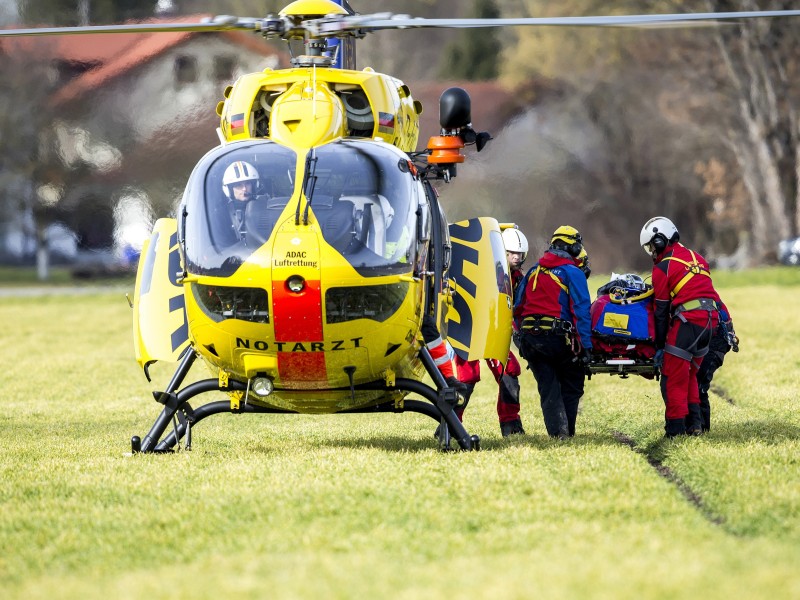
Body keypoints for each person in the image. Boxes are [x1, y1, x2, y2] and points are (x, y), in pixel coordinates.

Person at [639, 216, 724, 437]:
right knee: (690, 376)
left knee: (672, 378)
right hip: (709, 322)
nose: (652, 252)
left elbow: (660, 311)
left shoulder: (663, 268)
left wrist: (659, 344)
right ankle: (694, 425)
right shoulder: (698, 259)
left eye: (652, 246)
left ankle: (675, 431)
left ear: (660, 241)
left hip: (689, 323)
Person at [515, 225, 593, 439]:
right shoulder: (572, 272)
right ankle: (567, 434)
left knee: (548, 388)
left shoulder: (533, 271)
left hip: (532, 340)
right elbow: (582, 311)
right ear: (574, 248)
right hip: (560, 339)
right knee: (572, 383)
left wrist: (521, 337)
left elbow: (517, 308)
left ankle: (558, 434)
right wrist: (586, 346)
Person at [454, 227, 529, 437]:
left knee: (510, 372)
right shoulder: (480, 271)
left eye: (519, 254)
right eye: (511, 252)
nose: (516, 257)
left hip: (495, 334)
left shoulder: (517, 279)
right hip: (471, 332)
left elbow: (520, 308)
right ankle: (450, 423)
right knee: (467, 377)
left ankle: (511, 425)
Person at [693, 303, 739, 432]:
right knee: (696, 383)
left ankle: (699, 427)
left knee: (698, 384)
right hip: (710, 339)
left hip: (715, 342)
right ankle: (696, 426)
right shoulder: (706, 294)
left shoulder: (703, 297)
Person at [221, 160, 261, 239]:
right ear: (229, 190)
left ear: (254, 185)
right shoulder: (223, 215)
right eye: (238, 185)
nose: (244, 189)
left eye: (247, 183)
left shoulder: (263, 206)